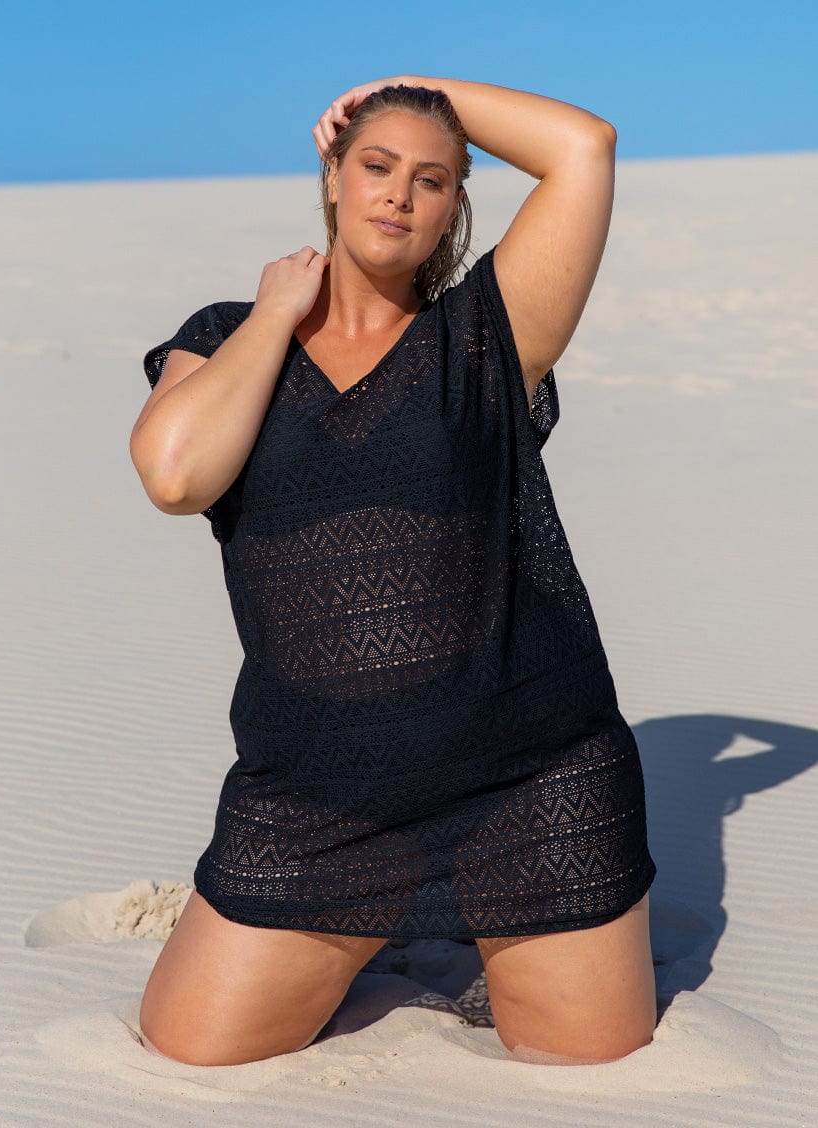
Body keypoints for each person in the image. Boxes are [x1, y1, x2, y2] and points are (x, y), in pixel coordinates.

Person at [130, 75, 657, 1068]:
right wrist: (277, 310)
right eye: (375, 166)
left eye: (433, 179)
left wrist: (414, 86)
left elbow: (584, 145)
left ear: (457, 204)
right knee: (189, 1050)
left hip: (533, 781)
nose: (399, 195)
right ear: (332, 177)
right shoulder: (221, 337)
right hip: (316, 798)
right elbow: (173, 474)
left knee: (589, 1068)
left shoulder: (486, 340)